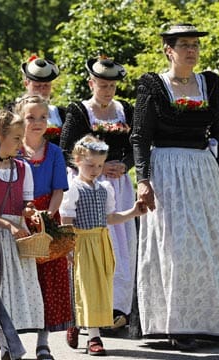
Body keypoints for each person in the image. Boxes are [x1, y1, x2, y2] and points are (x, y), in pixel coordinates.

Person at [130, 23, 219, 350]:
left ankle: (209, 323)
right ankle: (174, 324)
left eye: (194, 44)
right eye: (184, 45)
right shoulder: (153, 86)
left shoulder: (210, 83)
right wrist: (143, 179)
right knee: (173, 247)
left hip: (202, 170)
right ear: (168, 49)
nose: (191, 50)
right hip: (167, 171)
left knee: (209, 245)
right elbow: (140, 136)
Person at [59, 56, 136, 346]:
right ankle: (85, 316)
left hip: (118, 183)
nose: (107, 90)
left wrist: (124, 164)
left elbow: (134, 144)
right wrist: (99, 168)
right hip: (89, 181)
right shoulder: (80, 111)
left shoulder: (124, 110)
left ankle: (117, 311)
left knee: (121, 246)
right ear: (92, 83)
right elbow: (68, 147)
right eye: (102, 85)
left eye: (112, 85)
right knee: (91, 253)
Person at [59, 134, 147, 356]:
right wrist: (68, 245)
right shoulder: (73, 189)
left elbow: (111, 217)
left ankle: (78, 322)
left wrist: (133, 212)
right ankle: (93, 337)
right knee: (87, 288)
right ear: (77, 161)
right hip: (82, 241)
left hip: (102, 242)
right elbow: (66, 220)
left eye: (99, 165)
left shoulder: (104, 188)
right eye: (90, 165)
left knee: (103, 288)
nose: (96, 169)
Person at [16, 94, 70, 360]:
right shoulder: (12, 151)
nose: (37, 123)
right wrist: (24, 214)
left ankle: (43, 342)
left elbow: (59, 189)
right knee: (17, 278)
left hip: (47, 218)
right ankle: (9, 340)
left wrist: (49, 215)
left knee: (48, 281)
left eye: (42, 117)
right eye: (30, 118)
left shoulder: (55, 152)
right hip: (18, 217)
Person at [0, 109, 44, 359]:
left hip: (18, 240)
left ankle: (10, 347)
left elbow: (26, 203)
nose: (21, 143)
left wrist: (30, 213)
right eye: (15, 138)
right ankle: (4, 345)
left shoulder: (23, 168)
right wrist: (7, 225)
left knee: (16, 295)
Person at [19, 56, 65, 144]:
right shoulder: (14, 111)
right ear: (26, 84)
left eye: (46, 85)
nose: (42, 90)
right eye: (37, 86)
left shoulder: (60, 113)